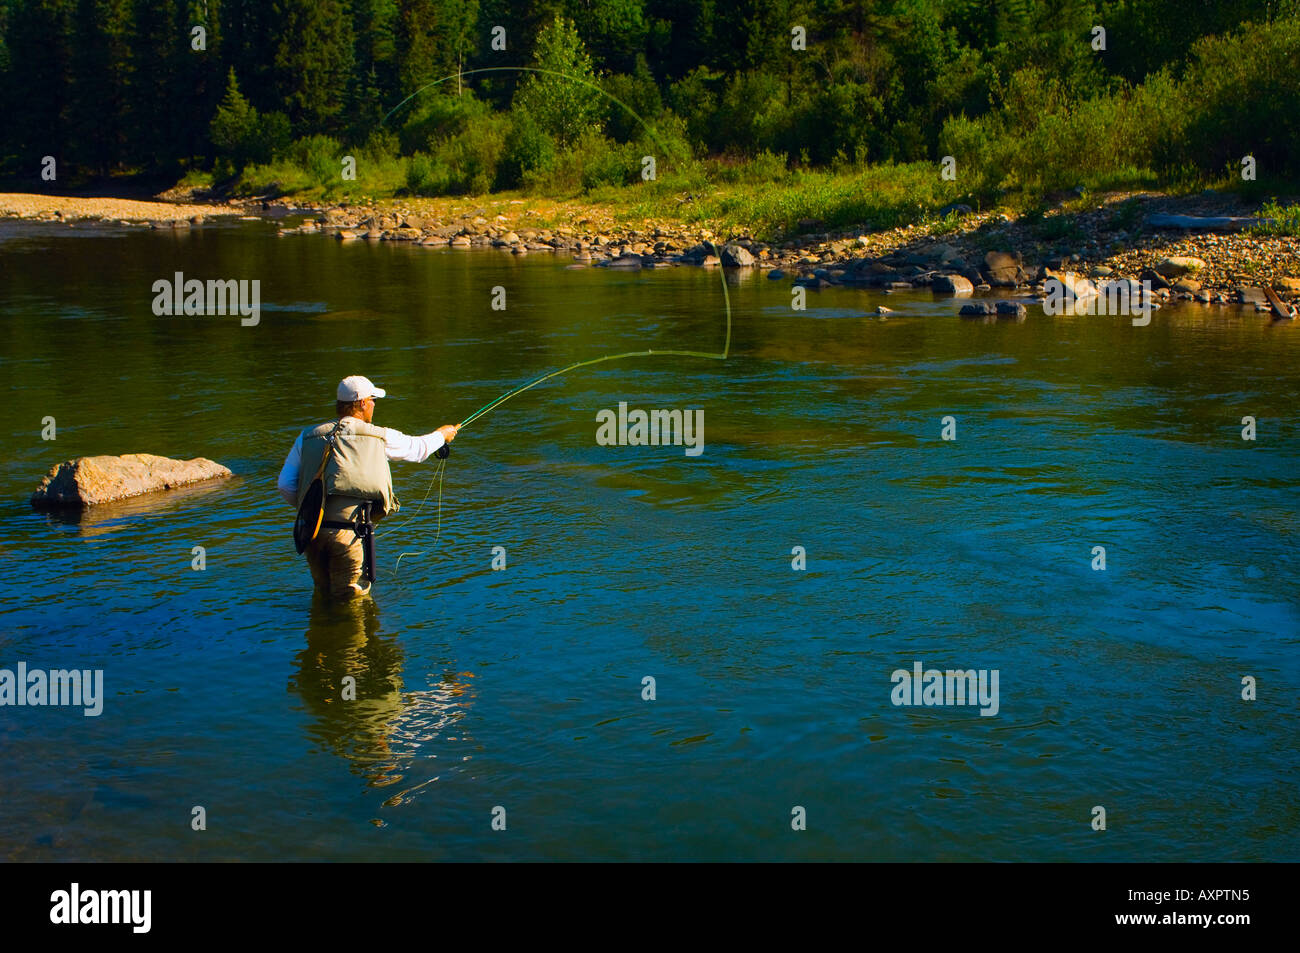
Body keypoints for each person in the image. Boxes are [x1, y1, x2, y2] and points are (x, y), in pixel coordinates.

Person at [278, 375, 458, 600]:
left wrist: (315, 508)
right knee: (351, 601)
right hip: (350, 533)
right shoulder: (378, 436)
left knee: (323, 594)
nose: (374, 405)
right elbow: (417, 449)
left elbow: (285, 485)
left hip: (312, 532)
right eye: (373, 400)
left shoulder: (307, 437)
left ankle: (323, 631)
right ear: (362, 403)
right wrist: (442, 435)